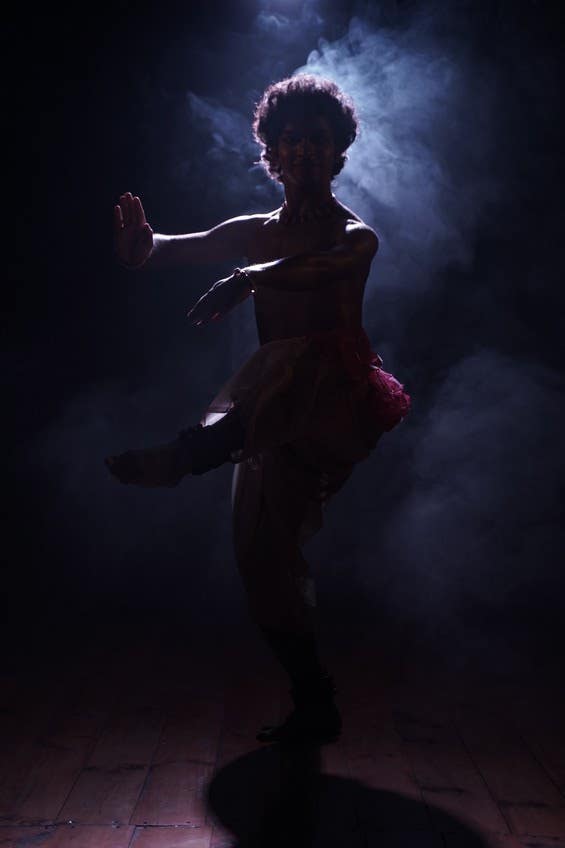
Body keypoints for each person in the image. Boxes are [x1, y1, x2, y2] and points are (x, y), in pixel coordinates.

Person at [106, 75, 411, 744]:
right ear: (271, 154)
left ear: (338, 155)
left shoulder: (355, 235)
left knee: (297, 360)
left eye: (317, 141)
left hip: (332, 401)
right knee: (261, 558)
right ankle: (314, 701)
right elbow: (169, 249)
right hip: (269, 414)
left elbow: (318, 267)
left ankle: (185, 455)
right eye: (290, 140)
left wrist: (247, 278)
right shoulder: (253, 231)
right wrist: (141, 247)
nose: (303, 152)